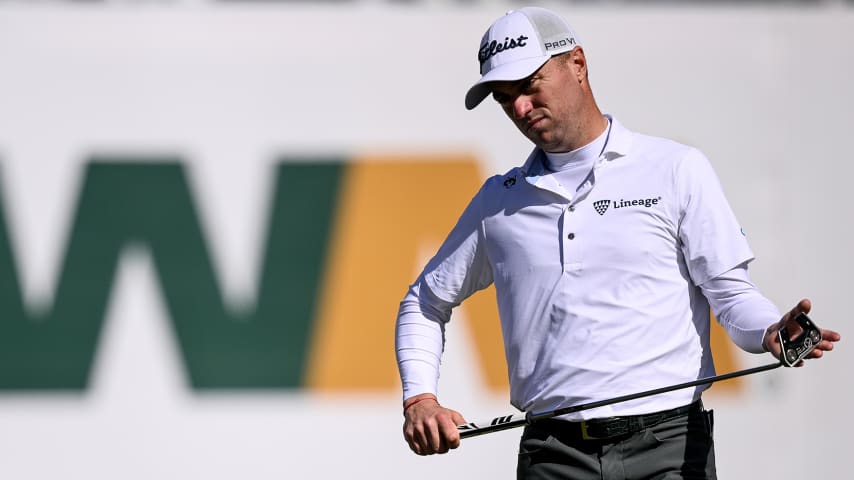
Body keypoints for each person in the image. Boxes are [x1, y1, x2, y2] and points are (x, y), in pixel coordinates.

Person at [394, 6, 841, 479]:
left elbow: (731, 296)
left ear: (578, 65)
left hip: (669, 448)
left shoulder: (674, 168)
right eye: (506, 99)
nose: (521, 108)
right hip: (553, 457)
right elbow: (422, 302)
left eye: (530, 85)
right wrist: (420, 399)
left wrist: (771, 330)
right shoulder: (497, 202)